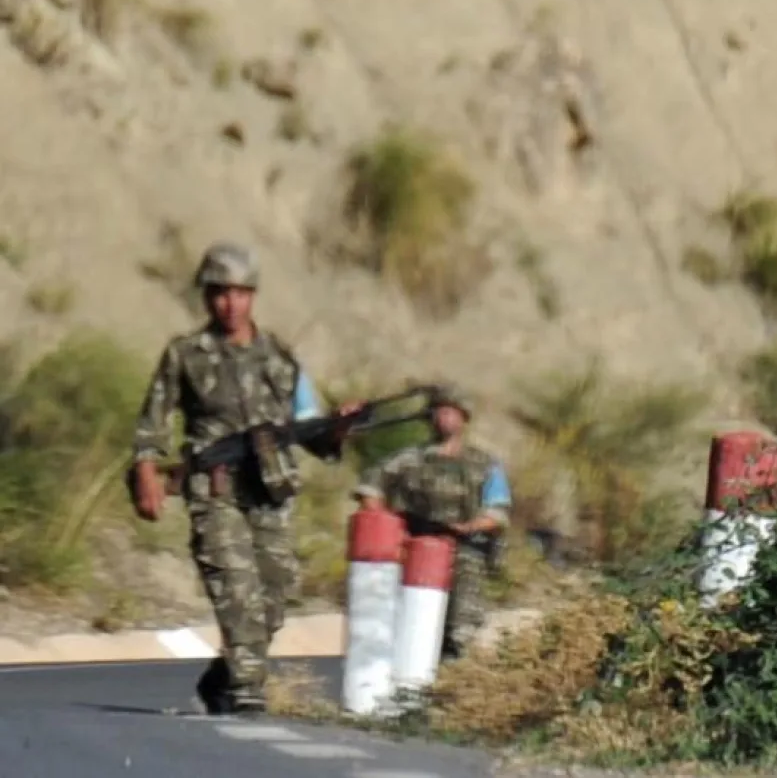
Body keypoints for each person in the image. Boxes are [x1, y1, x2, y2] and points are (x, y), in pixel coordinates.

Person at [130, 241, 365, 715]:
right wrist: (146, 474)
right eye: (218, 293)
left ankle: (220, 683)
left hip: (270, 493)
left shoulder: (279, 357)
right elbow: (151, 424)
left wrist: (337, 426)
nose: (228, 304)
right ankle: (246, 692)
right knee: (237, 590)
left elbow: (311, 427)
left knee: (274, 597)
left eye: (238, 293)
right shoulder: (185, 355)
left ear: (252, 295)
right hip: (214, 492)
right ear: (205, 297)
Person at [352, 383, 512, 660]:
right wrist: (389, 529)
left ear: (464, 418)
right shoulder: (408, 459)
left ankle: (453, 667)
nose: (444, 419)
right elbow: (370, 488)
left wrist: (468, 529)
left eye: (451, 412)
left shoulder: (484, 464)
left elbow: (497, 512)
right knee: (409, 619)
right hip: (414, 548)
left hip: (464, 550)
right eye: (439, 412)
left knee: (462, 624)